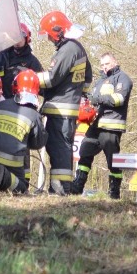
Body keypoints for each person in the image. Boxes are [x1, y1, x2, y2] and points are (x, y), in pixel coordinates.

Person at [36, 10, 92, 195]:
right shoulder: (78, 48)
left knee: (59, 149)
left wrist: (31, 78)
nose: (49, 40)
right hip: (68, 110)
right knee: (62, 149)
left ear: (56, 30)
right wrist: (75, 94)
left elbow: (52, 78)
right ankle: (61, 189)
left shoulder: (68, 49)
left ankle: (59, 190)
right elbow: (87, 79)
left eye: (49, 35)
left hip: (60, 110)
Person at [73, 53, 133, 198]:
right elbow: (93, 99)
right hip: (96, 124)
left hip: (112, 126)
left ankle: (114, 192)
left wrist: (97, 98)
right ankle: (77, 186)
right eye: (102, 65)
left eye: (107, 64)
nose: (104, 67)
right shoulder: (100, 81)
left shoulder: (123, 78)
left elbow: (119, 99)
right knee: (85, 151)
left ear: (114, 62)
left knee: (113, 160)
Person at [0, 70, 48, 193]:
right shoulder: (34, 115)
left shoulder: (1, 104)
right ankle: (5, 178)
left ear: (14, 86)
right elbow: (38, 143)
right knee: (21, 187)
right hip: (12, 157)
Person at [0, 22, 43, 98]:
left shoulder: (32, 61)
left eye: (20, 37)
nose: (17, 40)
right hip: (2, 101)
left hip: (21, 102)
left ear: (26, 39)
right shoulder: (2, 56)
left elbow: (41, 85)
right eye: (15, 37)